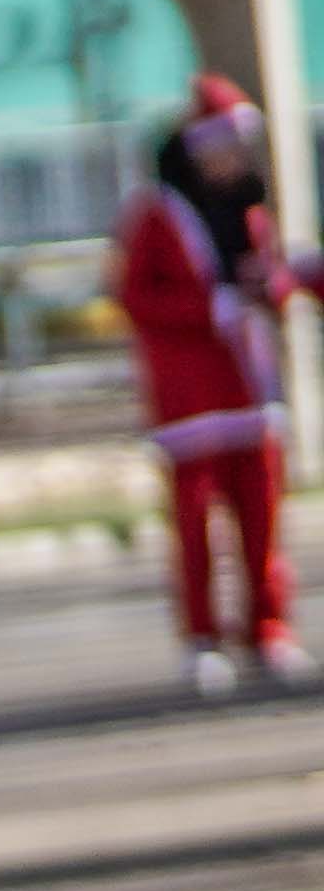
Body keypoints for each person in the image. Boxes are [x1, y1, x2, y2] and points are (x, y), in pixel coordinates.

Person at [114, 76, 308, 694]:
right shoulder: (155, 214)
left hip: (250, 390)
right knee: (197, 524)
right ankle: (203, 636)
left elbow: (272, 282)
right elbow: (135, 297)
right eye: (223, 146)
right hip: (188, 399)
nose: (233, 159)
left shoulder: (251, 215)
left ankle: (269, 629)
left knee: (262, 519)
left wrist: (270, 288)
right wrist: (209, 312)